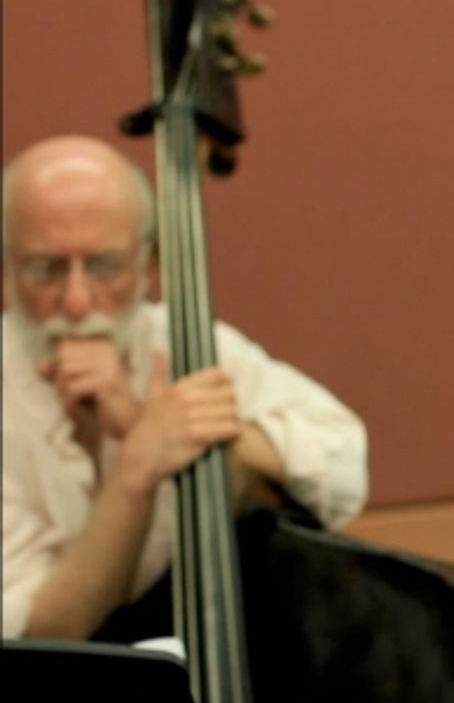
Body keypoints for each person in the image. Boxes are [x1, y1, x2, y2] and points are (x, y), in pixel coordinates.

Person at [2, 134, 368, 641]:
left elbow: (344, 471)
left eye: (104, 266)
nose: (78, 301)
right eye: (46, 269)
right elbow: (44, 630)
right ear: (6, 270)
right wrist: (138, 465)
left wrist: (186, 432)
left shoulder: (188, 343)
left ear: (148, 264)